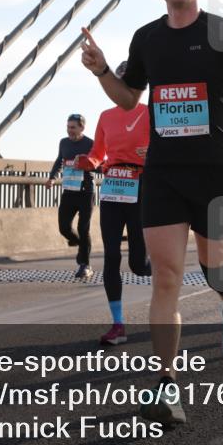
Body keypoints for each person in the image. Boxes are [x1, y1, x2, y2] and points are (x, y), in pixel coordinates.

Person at [79, 0, 223, 425]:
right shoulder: (146, 39)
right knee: (165, 277)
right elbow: (127, 100)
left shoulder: (222, 32)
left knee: (216, 273)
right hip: (162, 174)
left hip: (213, 172)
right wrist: (103, 69)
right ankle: (167, 386)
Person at [77, 61, 152, 346]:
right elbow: (98, 153)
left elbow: (165, 147)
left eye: (129, 80)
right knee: (110, 256)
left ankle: (164, 271)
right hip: (112, 189)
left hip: (140, 187)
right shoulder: (106, 116)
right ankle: (118, 324)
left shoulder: (149, 113)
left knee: (138, 264)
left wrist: (150, 155)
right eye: (119, 80)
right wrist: (90, 162)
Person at [45, 114, 95, 278]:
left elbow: (100, 165)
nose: (69, 131)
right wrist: (52, 178)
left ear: (82, 127)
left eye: (73, 127)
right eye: (68, 127)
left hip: (86, 192)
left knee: (83, 228)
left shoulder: (90, 144)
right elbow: (59, 160)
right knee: (64, 227)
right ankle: (82, 245)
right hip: (69, 192)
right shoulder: (64, 142)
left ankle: (84, 265)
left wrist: (86, 163)